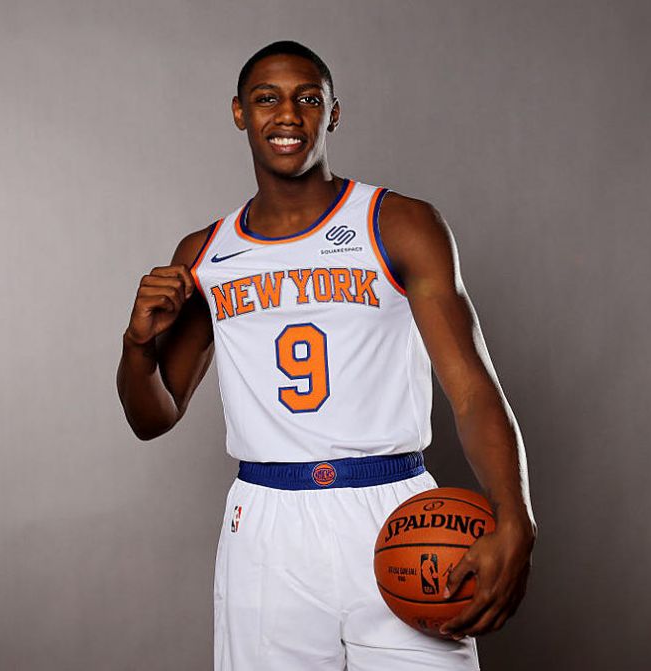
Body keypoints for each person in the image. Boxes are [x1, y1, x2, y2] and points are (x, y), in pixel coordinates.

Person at [117, 41, 536, 670]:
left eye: (308, 98)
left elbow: (472, 390)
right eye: (267, 99)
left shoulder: (398, 224)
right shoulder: (205, 252)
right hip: (268, 524)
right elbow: (153, 417)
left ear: (333, 112)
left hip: (398, 511)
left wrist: (515, 514)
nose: (288, 115)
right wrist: (137, 347)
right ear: (239, 112)